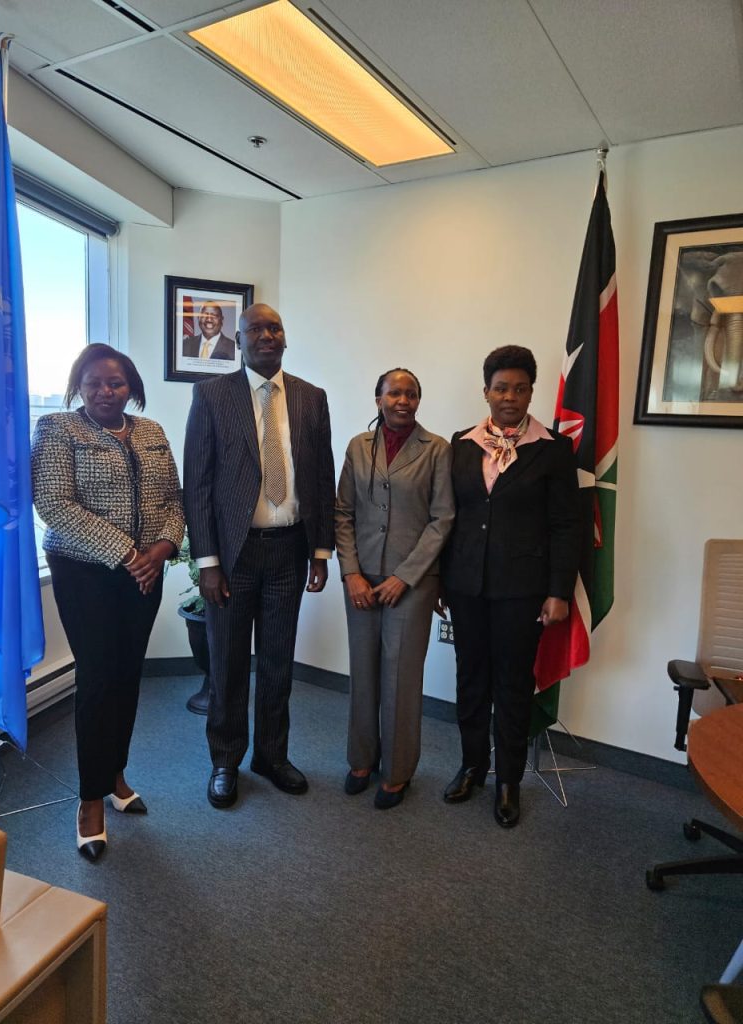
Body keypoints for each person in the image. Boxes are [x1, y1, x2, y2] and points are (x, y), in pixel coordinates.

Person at [31, 344, 184, 860]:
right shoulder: (58, 429)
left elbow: (174, 501)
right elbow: (54, 504)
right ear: (79, 386)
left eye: (115, 383)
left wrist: (162, 549)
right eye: (93, 382)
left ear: (130, 387)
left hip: (145, 573)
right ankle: (90, 800)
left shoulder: (152, 432)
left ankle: (115, 775)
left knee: (127, 676)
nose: (104, 391)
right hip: (86, 574)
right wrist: (129, 553)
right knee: (98, 681)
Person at [183, 302, 335, 809]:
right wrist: (207, 562)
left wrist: (320, 552)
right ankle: (225, 760)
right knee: (227, 663)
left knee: (277, 661)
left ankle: (272, 755)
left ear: (285, 338)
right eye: (256, 329)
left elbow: (321, 478)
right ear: (240, 340)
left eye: (275, 328)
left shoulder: (311, 398)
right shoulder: (211, 395)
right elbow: (197, 483)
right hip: (234, 556)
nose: (267, 335)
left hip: (290, 551)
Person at [441, 345, 580, 827]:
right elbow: (449, 517)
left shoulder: (553, 449)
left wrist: (559, 591)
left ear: (530, 393)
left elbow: (566, 526)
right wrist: (440, 581)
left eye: (520, 389)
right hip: (466, 586)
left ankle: (508, 782)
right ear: (486, 391)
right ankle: (471, 766)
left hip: (522, 591)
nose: (510, 397)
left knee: (513, 685)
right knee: (470, 679)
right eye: (501, 388)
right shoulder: (461, 443)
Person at [335, 369, 454, 809]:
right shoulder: (357, 446)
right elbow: (342, 512)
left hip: (412, 583)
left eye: (412, 394)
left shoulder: (436, 449)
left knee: (401, 676)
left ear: (419, 400)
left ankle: (397, 771)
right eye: (394, 393)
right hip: (362, 580)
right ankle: (361, 759)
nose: (403, 400)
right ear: (378, 399)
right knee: (363, 670)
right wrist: (351, 572)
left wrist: (405, 576)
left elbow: (443, 519)